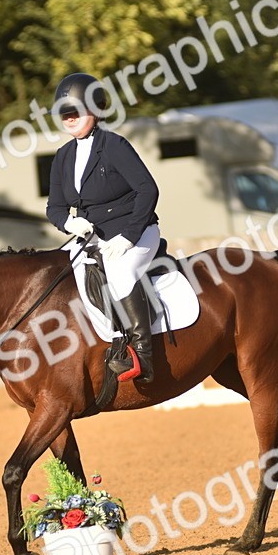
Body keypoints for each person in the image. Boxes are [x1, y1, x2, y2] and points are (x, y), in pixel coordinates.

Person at [45, 72, 161, 384]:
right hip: (92, 238)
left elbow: (148, 190)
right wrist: (68, 222)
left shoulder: (114, 145)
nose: (68, 118)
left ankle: (142, 356)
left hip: (136, 231)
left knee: (120, 272)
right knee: (56, 273)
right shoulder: (62, 157)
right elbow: (54, 206)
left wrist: (127, 237)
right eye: (63, 113)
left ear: (95, 110)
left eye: (75, 111)